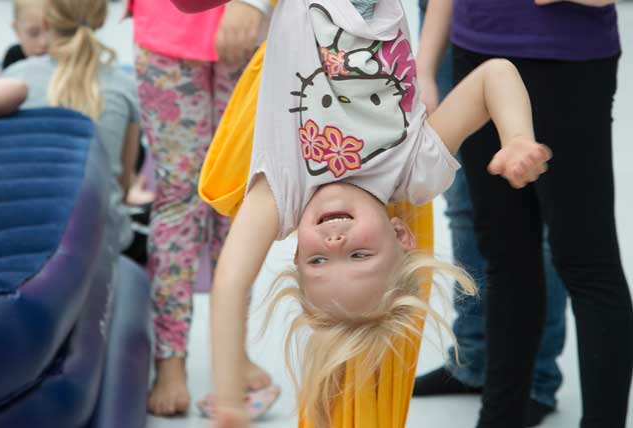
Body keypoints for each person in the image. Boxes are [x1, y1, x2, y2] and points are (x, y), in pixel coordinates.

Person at [171, 1, 551, 427]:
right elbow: (494, 76)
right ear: (401, 237)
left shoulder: (284, 189)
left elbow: (230, 283)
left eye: (318, 261)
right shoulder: (415, 171)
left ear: (296, 256)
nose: (336, 244)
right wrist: (516, 136)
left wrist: (230, 401)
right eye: (360, 256)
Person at [415, 0, 633, 427]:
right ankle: (498, 419)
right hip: (474, 55)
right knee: (506, 258)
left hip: (566, 63)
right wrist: (424, 68)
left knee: (586, 261)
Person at [412, 1, 568, 425]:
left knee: (533, 199)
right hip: (451, 19)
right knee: (460, 196)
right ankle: (474, 356)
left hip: (526, 24)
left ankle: (536, 375)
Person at [125, 0, 278, 417]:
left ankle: (233, 352)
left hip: (251, 27)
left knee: (239, 199)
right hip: (167, 27)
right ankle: (170, 359)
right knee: (177, 200)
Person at [1, 0, 138, 255]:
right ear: (102, 19)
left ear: (46, 21)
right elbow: (122, 184)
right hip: (105, 239)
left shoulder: (15, 78)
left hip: (24, 237)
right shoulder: (125, 87)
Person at [2, 0, 49, 70]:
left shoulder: (68, 58)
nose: (43, 42)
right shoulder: (13, 57)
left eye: (52, 32)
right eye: (34, 33)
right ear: (17, 30)